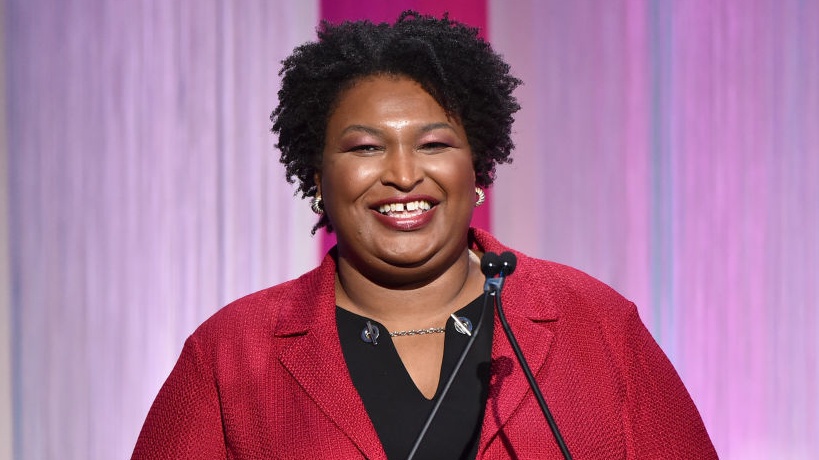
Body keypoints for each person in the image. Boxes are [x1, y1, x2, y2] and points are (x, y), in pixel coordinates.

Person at [132, 11, 717, 459]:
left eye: (434, 144)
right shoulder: (233, 354)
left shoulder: (595, 324)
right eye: (365, 148)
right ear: (317, 176)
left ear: (477, 166)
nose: (404, 173)